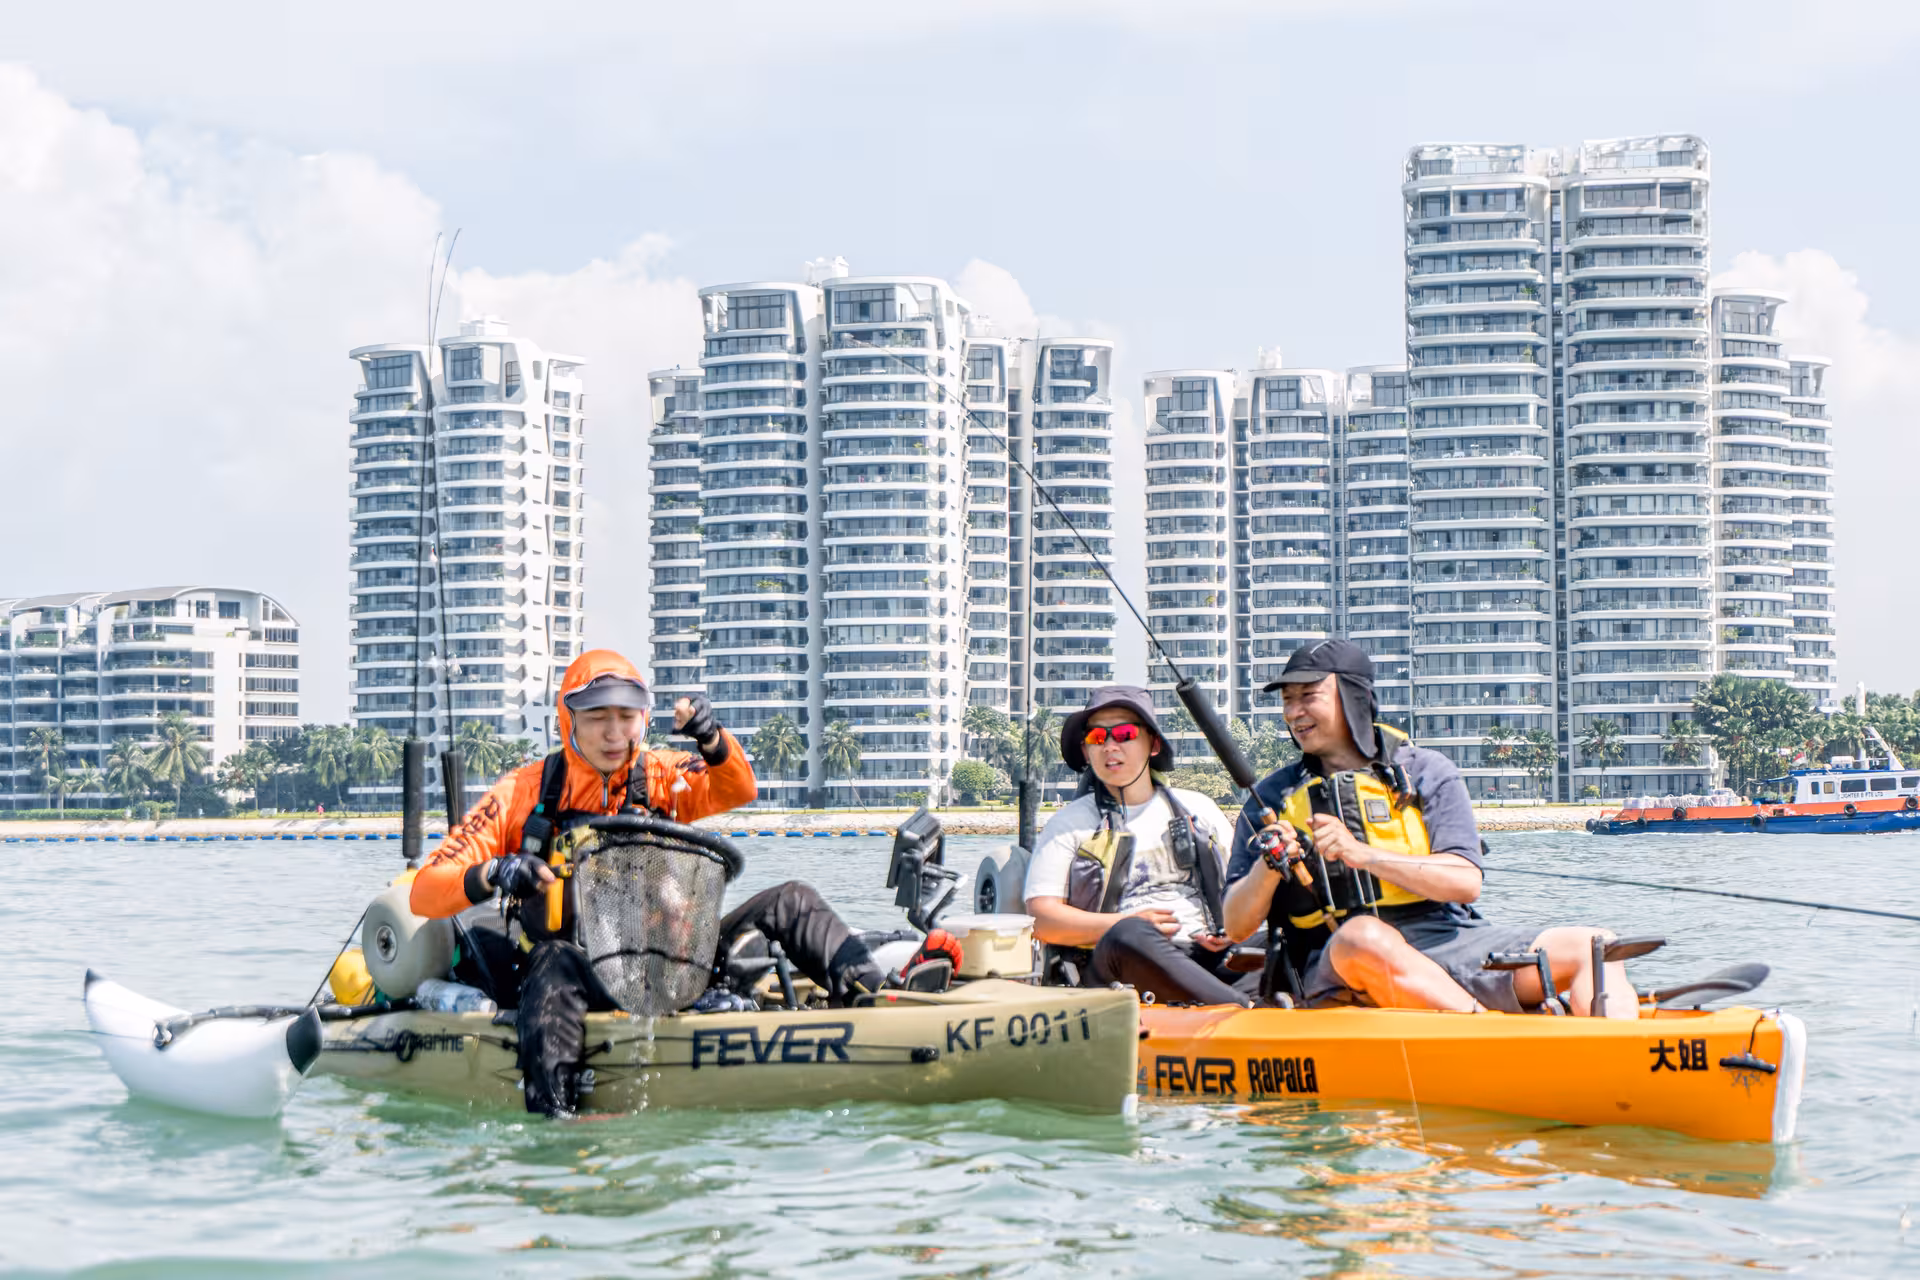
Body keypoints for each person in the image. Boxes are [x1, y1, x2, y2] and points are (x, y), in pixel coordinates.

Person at [410, 648, 891, 1115]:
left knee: (792, 900)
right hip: (580, 972)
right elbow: (426, 889)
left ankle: (882, 1000)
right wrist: (494, 871)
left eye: (627, 716)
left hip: (678, 961)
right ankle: (556, 1113)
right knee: (552, 957)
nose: (615, 732)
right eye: (598, 717)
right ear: (568, 718)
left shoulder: (663, 774)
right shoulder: (521, 791)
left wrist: (711, 738)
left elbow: (738, 787)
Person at [1223, 639, 1637, 1016]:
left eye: (1308, 697)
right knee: (1363, 936)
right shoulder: (1271, 798)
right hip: (1335, 962)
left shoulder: (1426, 771)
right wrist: (1268, 865)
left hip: (1447, 941)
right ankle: (1492, 1034)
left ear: (1352, 696)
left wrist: (1361, 854)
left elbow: (1465, 883)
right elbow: (1236, 926)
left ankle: (1621, 1063)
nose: (1293, 712)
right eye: (1288, 701)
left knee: (1597, 946)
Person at [1023, 685, 1269, 1007]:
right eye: (1098, 737)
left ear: (1152, 744)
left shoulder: (1201, 808)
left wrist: (1231, 932)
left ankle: (1238, 1004)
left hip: (1203, 956)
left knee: (1284, 936)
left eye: (1124, 734)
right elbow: (1041, 918)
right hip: (1119, 963)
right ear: (1086, 751)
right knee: (1130, 935)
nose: (1110, 746)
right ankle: (1245, 1011)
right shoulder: (1068, 823)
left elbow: (1242, 889)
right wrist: (1123, 924)